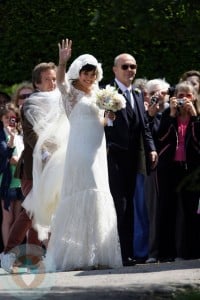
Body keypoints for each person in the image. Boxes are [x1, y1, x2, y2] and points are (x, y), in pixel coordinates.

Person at [41, 38, 122, 272]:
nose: (89, 77)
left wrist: (109, 118)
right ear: (79, 73)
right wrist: (62, 61)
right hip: (80, 150)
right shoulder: (71, 93)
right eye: (85, 73)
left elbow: (101, 121)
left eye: (92, 73)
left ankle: (96, 252)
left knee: (99, 194)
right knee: (86, 192)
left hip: (98, 149)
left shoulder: (99, 93)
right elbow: (60, 80)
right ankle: (74, 255)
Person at [0, 62, 57, 273]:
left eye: (54, 78)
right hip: (32, 166)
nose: (52, 83)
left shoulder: (55, 101)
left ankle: (32, 259)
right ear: (37, 84)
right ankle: (8, 252)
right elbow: (32, 135)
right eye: (48, 79)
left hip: (53, 165)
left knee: (40, 213)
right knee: (32, 209)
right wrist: (46, 152)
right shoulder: (31, 103)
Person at [104, 53, 158, 266]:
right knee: (121, 204)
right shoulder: (107, 93)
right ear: (115, 70)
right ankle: (121, 253)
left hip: (133, 158)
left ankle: (129, 252)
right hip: (114, 156)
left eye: (133, 66)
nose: (130, 70)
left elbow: (144, 125)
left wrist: (152, 148)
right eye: (125, 66)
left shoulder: (136, 94)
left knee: (130, 204)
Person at [156, 81, 200, 260]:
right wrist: (172, 115)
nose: (184, 98)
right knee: (167, 210)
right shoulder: (168, 114)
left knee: (192, 212)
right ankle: (166, 254)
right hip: (169, 169)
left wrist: (195, 117)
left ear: (194, 97)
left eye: (188, 95)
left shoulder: (198, 116)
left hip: (191, 170)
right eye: (180, 95)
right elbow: (161, 138)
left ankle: (193, 252)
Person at [144, 78, 170, 263]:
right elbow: (147, 135)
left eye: (162, 93)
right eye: (154, 93)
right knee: (152, 212)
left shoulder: (172, 111)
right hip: (152, 169)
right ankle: (153, 252)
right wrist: (150, 115)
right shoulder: (145, 113)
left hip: (173, 168)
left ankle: (170, 250)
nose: (159, 96)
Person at [0, 104, 24, 248]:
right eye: (6, 117)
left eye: (12, 117)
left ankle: (14, 251)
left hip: (20, 180)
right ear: (1, 119)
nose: (9, 120)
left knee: (17, 219)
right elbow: (8, 156)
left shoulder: (20, 134)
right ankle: (7, 252)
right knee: (7, 218)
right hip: (6, 181)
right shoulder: (1, 135)